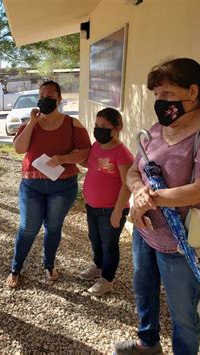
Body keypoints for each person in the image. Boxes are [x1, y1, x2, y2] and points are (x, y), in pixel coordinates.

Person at [114, 58, 200, 355]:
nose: (160, 101)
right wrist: (139, 189)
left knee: (183, 316)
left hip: (182, 245)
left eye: (167, 94)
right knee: (144, 293)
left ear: (192, 91)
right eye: (156, 95)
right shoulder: (156, 128)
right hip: (146, 232)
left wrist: (150, 198)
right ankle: (148, 343)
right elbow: (133, 170)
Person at [6, 80, 91, 288]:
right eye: (42, 96)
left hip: (62, 186)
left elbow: (86, 153)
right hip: (32, 185)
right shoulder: (29, 124)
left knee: (53, 227)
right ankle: (16, 268)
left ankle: (49, 265)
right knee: (28, 227)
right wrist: (33, 122)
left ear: (59, 99)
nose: (45, 100)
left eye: (50, 96)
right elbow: (19, 148)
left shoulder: (73, 124)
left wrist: (63, 159)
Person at [79, 108, 134, 296]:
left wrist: (118, 211)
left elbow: (127, 185)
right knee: (95, 239)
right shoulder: (96, 146)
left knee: (109, 245)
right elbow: (92, 165)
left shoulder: (122, 153)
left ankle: (107, 279)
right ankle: (99, 265)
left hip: (111, 210)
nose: (98, 130)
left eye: (104, 126)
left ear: (117, 128)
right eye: (96, 126)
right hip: (92, 207)